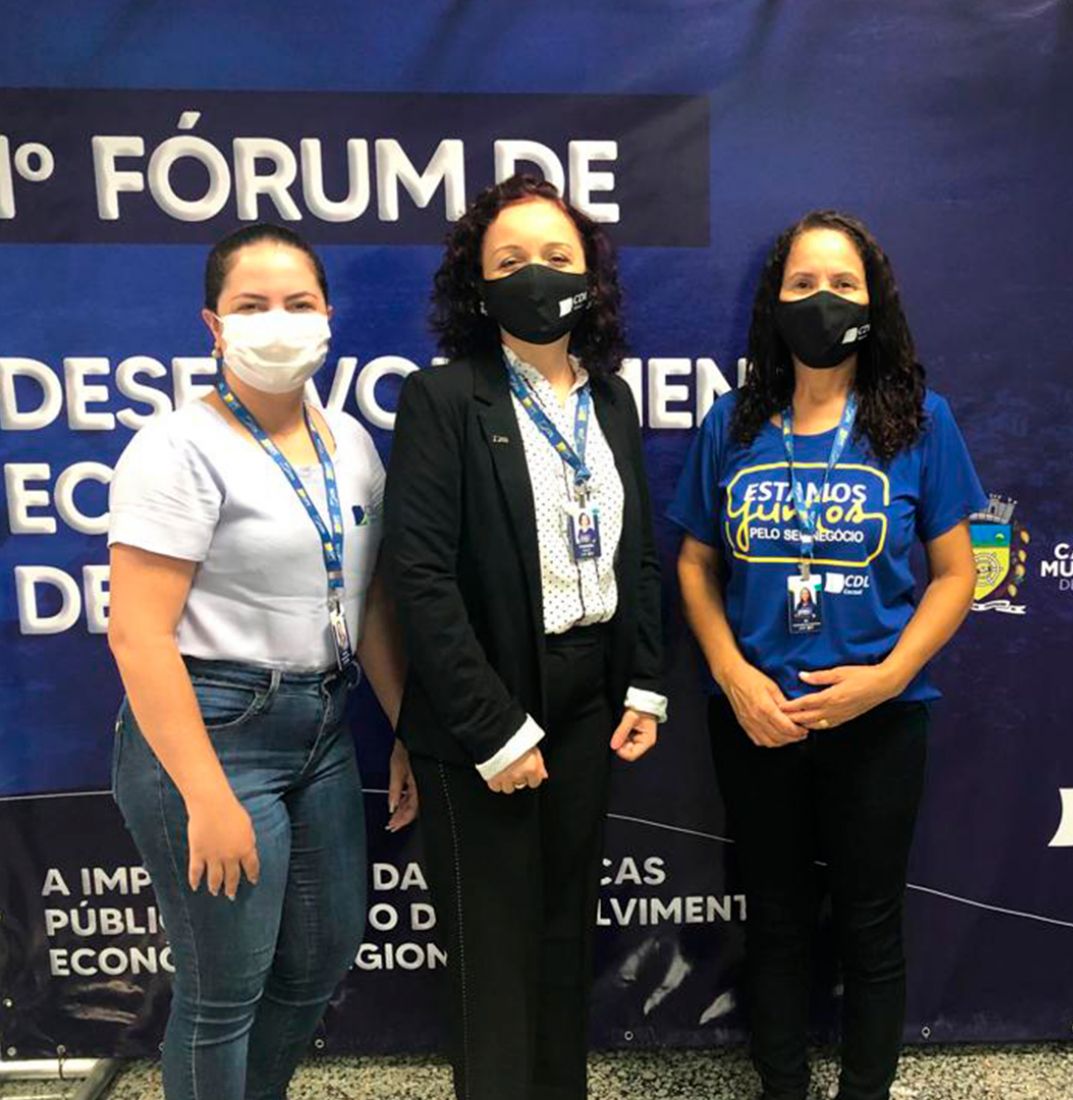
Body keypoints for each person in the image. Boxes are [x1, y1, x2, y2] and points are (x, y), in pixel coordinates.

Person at [670, 210, 985, 1100]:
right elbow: (693, 564)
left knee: (869, 928)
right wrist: (733, 675)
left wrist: (887, 679)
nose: (822, 299)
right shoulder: (734, 422)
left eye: (843, 283)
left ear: (873, 303)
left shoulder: (921, 422)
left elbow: (958, 573)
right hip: (757, 720)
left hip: (880, 723)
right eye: (803, 283)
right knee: (774, 924)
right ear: (774, 303)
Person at [107, 224, 416, 1100]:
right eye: (252, 306)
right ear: (214, 326)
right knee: (222, 990)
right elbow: (137, 634)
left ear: (328, 317)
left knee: (321, 955)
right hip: (212, 731)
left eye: (298, 303)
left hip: (321, 727)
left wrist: (407, 729)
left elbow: (371, 604)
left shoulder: (350, 442)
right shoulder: (176, 448)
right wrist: (206, 798)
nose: (277, 322)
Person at [385, 174, 666, 1100]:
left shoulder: (611, 400)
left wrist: (644, 682)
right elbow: (420, 579)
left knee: (562, 942)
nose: (535, 275)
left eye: (556, 257)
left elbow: (637, 554)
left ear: (591, 278)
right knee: (494, 967)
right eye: (510, 261)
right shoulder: (442, 399)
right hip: (486, 712)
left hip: (590, 703)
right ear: (477, 284)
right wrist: (493, 730)